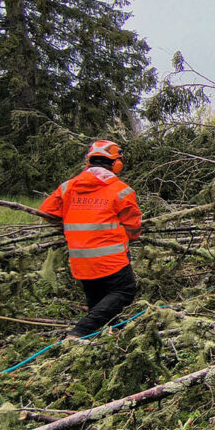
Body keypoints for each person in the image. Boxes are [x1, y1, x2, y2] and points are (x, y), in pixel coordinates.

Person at [40, 140, 142, 342]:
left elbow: (47, 212)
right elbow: (134, 227)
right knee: (125, 290)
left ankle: (111, 336)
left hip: (80, 260)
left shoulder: (68, 187)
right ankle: (79, 332)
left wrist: (69, 227)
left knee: (98, 301)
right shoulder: (121, 190)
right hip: (112, 259)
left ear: (88, 162)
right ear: (116, 164)